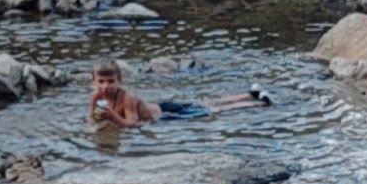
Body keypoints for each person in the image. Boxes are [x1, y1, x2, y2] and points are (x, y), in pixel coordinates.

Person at [88, 56, 271, 128]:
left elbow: (133, 124)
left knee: (212, 109)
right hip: (162, 108)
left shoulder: (127, 97)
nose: (105, 86)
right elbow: (91, 118)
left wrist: (112, 117)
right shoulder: (96, 95)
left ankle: (258, 101)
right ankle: (250, 93)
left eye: (111, 81)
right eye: (101, 81)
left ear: (119, 80)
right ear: (94, 81)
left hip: (164, 113)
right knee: (208, 103)